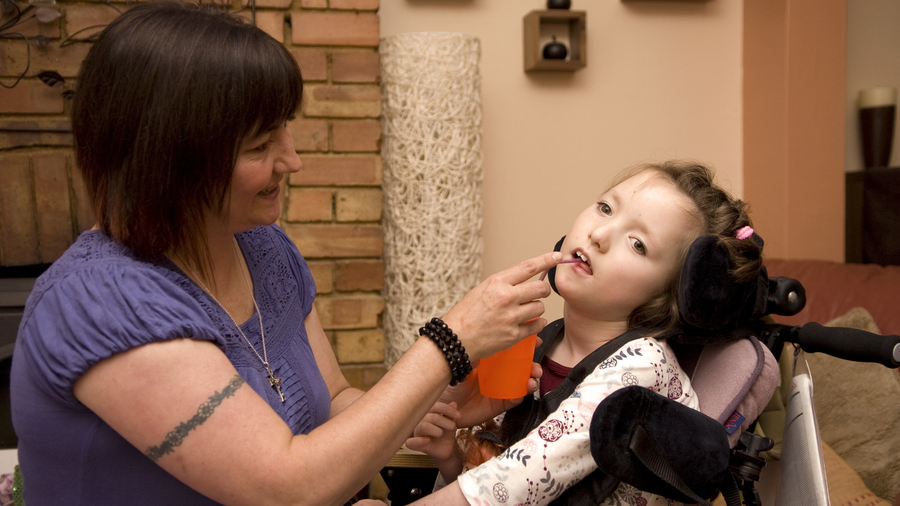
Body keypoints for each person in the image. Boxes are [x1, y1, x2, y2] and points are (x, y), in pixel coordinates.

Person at [9, 3, 562, 505]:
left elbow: (336, 400)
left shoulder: (262, 248)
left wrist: (431, 405)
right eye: (259, 145)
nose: (291, 159)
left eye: (285, 131)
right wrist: (451, 341)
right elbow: (285, 489)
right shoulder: (101, 303)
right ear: (169, 163)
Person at [403, 160, 762, 506]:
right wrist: (450, 452)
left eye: (638, 244)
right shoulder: (537, 343)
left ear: (668, 297)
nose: (600, 234)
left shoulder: (643, 369)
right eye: (605, 208)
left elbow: (512, 484)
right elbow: (489, 481)